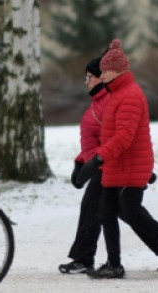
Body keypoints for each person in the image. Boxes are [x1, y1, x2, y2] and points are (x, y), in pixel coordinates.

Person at [83, 39, 158, 279]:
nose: (101, 76)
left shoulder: (129, 95)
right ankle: (115, 264)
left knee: (130, 212)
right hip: (117, 165)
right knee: (107, 212)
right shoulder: (116, 94)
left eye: (104, 71)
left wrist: (98, 158)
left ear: (117, 71)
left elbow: (124, 136)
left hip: (130, 165)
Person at [58, 57, 116, 275]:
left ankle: (83, 259)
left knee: (95, 209)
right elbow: (92, 141)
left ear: (101, 77)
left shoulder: (109, 102)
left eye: (89, 77)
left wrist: (92, 164)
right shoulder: (99, 102)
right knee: (127, 212)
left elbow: (114, 140)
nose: (86, 81)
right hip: (98, 165)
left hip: (107, 167)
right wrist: (80, 162)